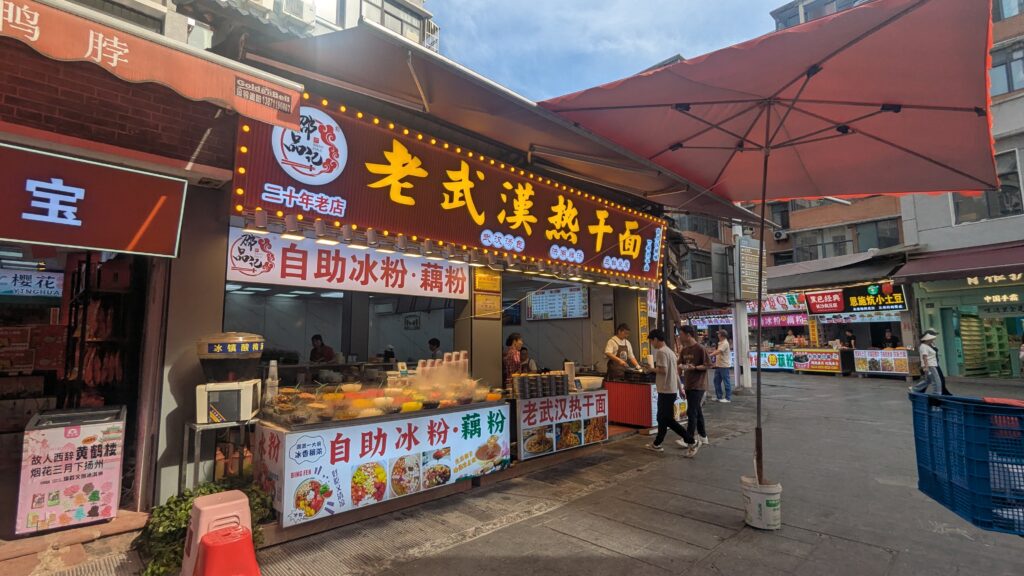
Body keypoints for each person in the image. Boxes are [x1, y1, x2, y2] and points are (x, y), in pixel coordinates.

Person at [643, 329, 689, 452]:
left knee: (667, 419)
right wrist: (680, 388)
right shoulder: (670, 352)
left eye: (651, 341)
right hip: (671, 389)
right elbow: (675, 373)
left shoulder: (661, 352)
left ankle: (690, 440)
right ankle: (657, 443)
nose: (652, 344)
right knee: (661, 418)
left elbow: (663, 370)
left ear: (656, 339)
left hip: (665, 390)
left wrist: (651, 369)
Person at [677, 325, 711, 457]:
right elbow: (679, 364)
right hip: (688, 384)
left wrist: (695, 367)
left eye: (681, 334)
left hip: (699, 385)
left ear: (688, 335)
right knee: (697, 410)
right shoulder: (684, 350)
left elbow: (708, 365)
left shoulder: (700, 349)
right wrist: (679, 376)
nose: (679, 337)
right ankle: (703, 436)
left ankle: (688, 438)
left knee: (691, 412)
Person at [911, 330, 944, 395]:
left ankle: (915, 389)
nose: (933, 340)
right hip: (930, 365)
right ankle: (937, 393)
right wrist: (926, 367)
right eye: (931, 339)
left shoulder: (928, 345)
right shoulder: (923, 346)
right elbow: (924, 357)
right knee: (936, 380)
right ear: (927, 339)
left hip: (932, 365)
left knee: (928, 380)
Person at [713, 329, 733, 403]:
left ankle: (728, 398)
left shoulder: (725, 343)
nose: (718, 335)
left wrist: (710, 355)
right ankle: (719, 397)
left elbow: (718, 351)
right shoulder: (720, 342)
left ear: (722, 335)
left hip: (724, 366)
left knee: (726, 382)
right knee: (716, 381)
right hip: (719, 365)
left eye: (719, 334)